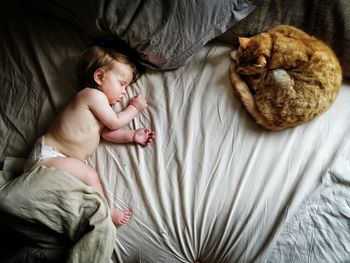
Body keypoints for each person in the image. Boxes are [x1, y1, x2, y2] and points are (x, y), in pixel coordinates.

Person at [24, 44, 155, 227]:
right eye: (122, 84)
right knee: (90, 176)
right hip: (48, 157)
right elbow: (115, 122)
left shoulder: (99, 107)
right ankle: (105, 212)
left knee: (72, 201)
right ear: (99, 76)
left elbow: (108, 133)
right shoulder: (92, 96)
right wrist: (134, 109)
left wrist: (132, 136)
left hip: (61, 162)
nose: (124, 92)